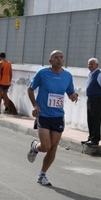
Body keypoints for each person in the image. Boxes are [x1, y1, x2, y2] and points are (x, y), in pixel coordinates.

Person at [27, 50, 78, 186]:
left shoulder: (67, 76)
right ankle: (35, 147)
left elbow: (70, 92)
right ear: (50, 61)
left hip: (58, 116)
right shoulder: (42, 73)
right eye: (56, 58)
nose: (59, 60)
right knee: (45, 146)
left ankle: (42, 174)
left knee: (53, 147)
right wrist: (35, 105)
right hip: (43, 114)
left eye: (61, 58)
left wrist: (74, 96)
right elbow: (30, 89)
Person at [84, 58, 101, 145]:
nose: (90, 66)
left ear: (97, 65)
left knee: (96, 119)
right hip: (91, 98)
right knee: (90, 118)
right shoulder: (91, 74)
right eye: (89, 64)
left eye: (92, 64)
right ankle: (91, 137)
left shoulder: (99, 75)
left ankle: (95, 139)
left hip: (97, 99)